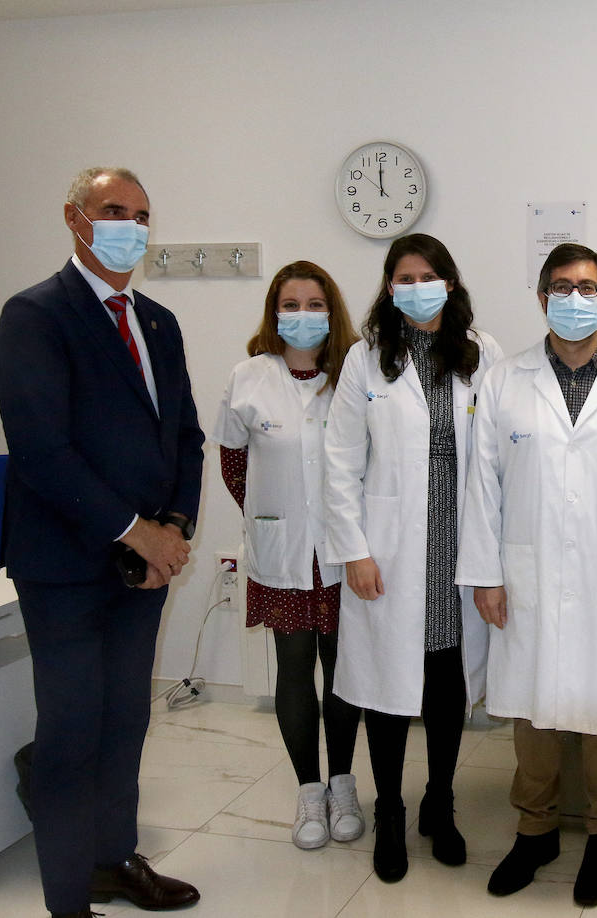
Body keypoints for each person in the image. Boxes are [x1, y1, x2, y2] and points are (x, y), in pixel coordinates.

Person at [0, 167, 204, 917]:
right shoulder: (33, 317)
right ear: (75, 219)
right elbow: (44, 451)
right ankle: (67, 898)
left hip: (140, 568)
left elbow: (186, 437)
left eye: (143, 215)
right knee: (72, 729)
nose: (131, 226)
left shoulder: (158, 323)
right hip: (66, 569)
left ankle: (114, 859)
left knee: (127, 720)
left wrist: (173, 530)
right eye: (114, 210)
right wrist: (136, 532)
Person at [457, 243, 597, 908]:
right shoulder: (505, 381)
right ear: (541, 297)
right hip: (524, 576)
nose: (575, 298)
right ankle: (535, 833)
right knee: (533, 713)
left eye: (588, 287)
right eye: (562, 286)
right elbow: (482, 488)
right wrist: (485, 575)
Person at [323, 233, 502, 882]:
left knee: (447, 680)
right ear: (389, 288)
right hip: (389, 553)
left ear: (449, 284)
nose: (416, 285)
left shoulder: (483, 356)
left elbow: (500, 460)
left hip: (460, 547)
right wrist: (354, 551)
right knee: (387, 689)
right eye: (404, 277)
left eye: (428, 275)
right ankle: (392, 811)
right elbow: (339, 462)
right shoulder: (365, 361)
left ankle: (440, 802)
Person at [213, 260, 362, 850]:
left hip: (348, 551)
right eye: (291, 305)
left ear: (333, 311)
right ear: (275, 311)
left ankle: (344, 782)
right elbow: (233, 465)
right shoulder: (249, 376)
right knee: (295, 667)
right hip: (284, 550)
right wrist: (278, 515)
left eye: (315, 304)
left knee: (346, 671)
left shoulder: (356, 371)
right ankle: (309, 791)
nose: (303, 316)